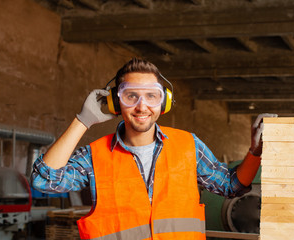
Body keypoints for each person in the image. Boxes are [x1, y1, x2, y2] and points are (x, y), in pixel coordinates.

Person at [31, 58, 276, 240]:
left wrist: (254, 152)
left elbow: (231, 185)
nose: (142, 106)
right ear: (116, 102)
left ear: (164, 102)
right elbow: (44, 180)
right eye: (131, 96)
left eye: (151, 96)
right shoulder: (95, 156)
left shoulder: (189, 146)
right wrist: (82, 120)